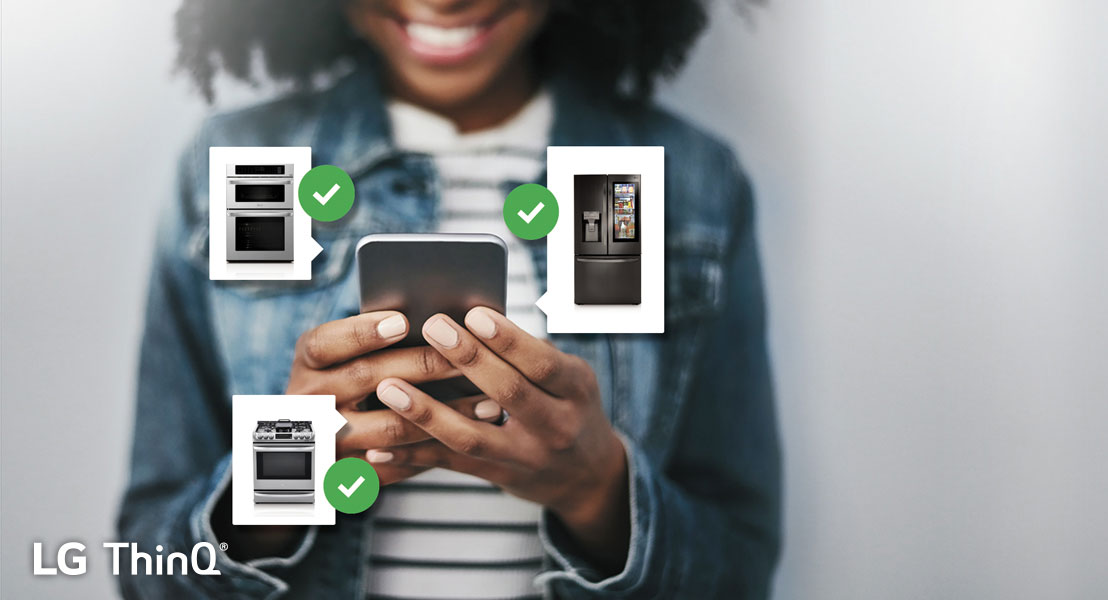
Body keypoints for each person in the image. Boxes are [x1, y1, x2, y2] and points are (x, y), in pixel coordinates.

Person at [117, 0, 781, 597]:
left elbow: (740, 568)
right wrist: (286, 465)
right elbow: (146, 568)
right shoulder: (233, 164)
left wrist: (599, 491)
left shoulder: (688, 181)